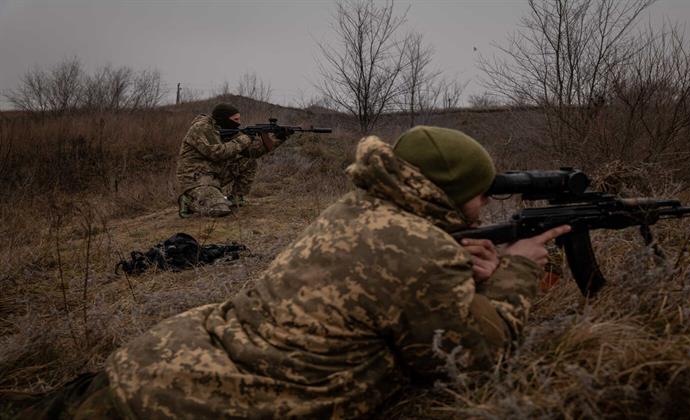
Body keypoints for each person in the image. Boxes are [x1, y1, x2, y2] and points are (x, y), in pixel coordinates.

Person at [21, 126, 570, 419]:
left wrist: (462, 276)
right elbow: (470, 361)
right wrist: (516, 272)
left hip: (157, 361)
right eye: (480, 188)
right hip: (190, 406)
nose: (484, 200)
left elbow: (385, 288)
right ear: (452, 193)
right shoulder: (423, 251)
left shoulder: (357, 208)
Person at [175, 103, 284, 218]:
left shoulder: (226, 128)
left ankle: (236, 198)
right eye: (235, 119)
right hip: (195, 177)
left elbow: (252, 152)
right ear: (223, 119)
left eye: (239, 118)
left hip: (215, 174)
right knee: (218, 209)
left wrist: (278, 138)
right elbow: (217, 153)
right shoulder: (201, 128)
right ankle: (188, 201)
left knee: (248, 162)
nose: (239, 122)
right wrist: (246, 138)